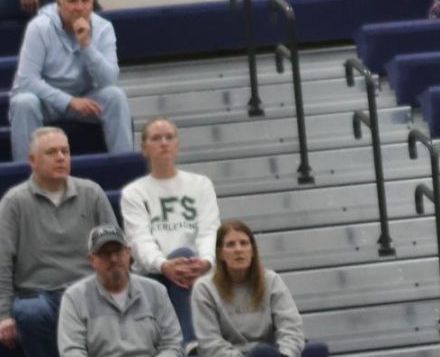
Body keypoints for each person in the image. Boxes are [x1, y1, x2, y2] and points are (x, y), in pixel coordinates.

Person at [0, 126, 117, 357]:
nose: (61, 157)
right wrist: (3, 315)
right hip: (38, 295)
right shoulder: (14, 202)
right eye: (52, 152)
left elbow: (115, 250)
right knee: (30, 311)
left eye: (65, 151)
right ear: (33, 161)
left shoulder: (92, 193)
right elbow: (2, 261)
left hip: (89, 288)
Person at [8, 0, 134, 162]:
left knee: (115, 96)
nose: (80, 8)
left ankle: (125, 168)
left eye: (85, 1)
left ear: (92, 4)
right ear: (59, 4)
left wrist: (86, 46)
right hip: (46, 102)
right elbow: (27, 80)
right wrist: (68, 101)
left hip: (85, 98)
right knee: (24, 102)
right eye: (73, 1)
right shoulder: (39, 27)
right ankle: (26, 179)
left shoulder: (104, 28)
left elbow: (109, 80)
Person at [121, 117, 220, 344]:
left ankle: (187, 344)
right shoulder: (134, 193)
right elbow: (140, 241)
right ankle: (190, 343)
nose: (164, 143)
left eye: (169, 137)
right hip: (153, 275)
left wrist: (205, 261)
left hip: (198, 271)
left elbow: (209, 230)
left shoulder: (201, 184)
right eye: (156, 138)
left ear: (177, 144)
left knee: (185, 256)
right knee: (179, 256)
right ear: (144, 148)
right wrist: (165, 265)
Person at [57, 223, 183, 357]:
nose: (113, 258)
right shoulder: (74, 298)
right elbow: (72, 351)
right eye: (105, 253)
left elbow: (172, 344)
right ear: (92, 260)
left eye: (118, 250)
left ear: (128, 252)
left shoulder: (156, 291)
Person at [191, 220, 304, 357]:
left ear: (252, 251)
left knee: (317, 349)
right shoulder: (204, 288)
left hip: (272, 353)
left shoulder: (271, 280)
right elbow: (209, 342)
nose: (238, 250)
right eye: (231, 245)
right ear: (220, 254)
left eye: (244, 243)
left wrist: (286, 354)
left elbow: (291, 328)